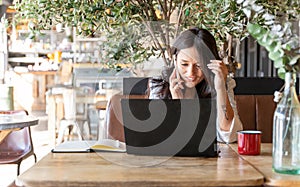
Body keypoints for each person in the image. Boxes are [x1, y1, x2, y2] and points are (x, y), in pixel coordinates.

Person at [149, 27, 243, 143]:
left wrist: (220, 88)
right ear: (175, 60)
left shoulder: (222, 83)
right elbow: (161, 139)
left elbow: (230, 136)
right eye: (184, 64)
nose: (191, 73)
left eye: (199, 66)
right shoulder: (159, 87)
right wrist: (177, 104)